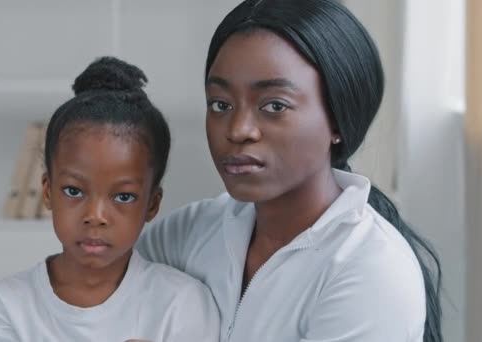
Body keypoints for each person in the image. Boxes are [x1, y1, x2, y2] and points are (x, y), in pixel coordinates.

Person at [136, 0, 442, 341]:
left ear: (338, 119)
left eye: (274, 106)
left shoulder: (372, 268)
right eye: (220, 104)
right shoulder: (188, 234)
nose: (238, 130)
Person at [0, 57, 220, 342]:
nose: (95, 216)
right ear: (47, 191)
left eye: (123, 196)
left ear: (152, 204)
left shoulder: (182, 304)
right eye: (74, 191)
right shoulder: (11, 303)